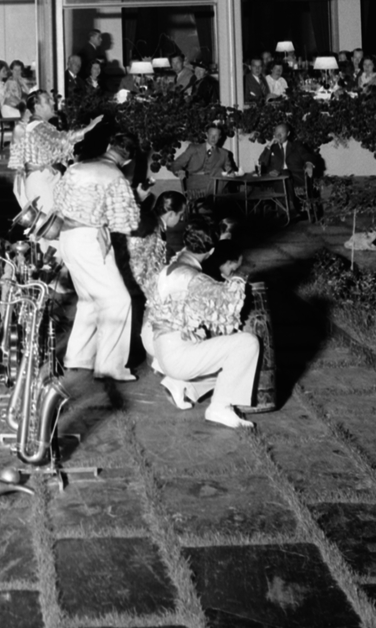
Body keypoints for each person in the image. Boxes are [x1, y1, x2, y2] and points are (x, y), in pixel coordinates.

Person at [144, 223, 259, 429]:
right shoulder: (193, 277)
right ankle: (220, 408)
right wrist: (238, 278)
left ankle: (182, 386)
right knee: (248, 344)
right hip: (177, 356)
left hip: (159, 348)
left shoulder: (173, 265)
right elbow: (229, 310)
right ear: (211, 250)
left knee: (231, 369)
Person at [53, 129, 140, 382]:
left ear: (109, 146)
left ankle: (78, 357)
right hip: (90, 239)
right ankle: (110, 366)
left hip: (67, 237)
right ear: (128, 159)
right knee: (118, 300)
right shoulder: (115, 176)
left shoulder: (78, 167)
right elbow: (127, 223)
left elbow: (58, 199)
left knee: (89, 300)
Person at [13, 90, 102, 214]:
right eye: (47, 101)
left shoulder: (38, 126)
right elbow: (62, 141)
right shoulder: (38, 127)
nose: (53, 102)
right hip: (41, 183)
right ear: (37, 107)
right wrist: (87, 129)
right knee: (52, 222)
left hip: (42, 181)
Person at [170, 125, 236, 198]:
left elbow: (229, 170)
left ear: (220, 137)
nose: (213, 138)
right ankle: (212, 199)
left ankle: (211, 199)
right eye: (211, 135)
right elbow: (177, 164)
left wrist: (231, 173)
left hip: (215, 184)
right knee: (219, 175)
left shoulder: (224, 153)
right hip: (195, 185)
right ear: (207, 134)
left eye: (216, 135)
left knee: (220, 172)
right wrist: (179, 171)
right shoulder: (193, 148)